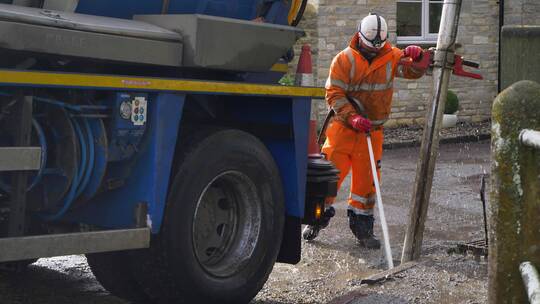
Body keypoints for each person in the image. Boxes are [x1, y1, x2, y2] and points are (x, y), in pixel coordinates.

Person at [303, 13, 427, 248]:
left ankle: (363, 230)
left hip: (372, 133)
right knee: (328, 180)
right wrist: (353, 116)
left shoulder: (391, 56)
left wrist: (417, 55)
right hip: (342, 129)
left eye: (379, 47)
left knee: (366, 187)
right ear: (359, 37)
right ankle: (315, 220)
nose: (374, 51)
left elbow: (413, 71)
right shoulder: (344, 60)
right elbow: (334, 95)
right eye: (371, 46)